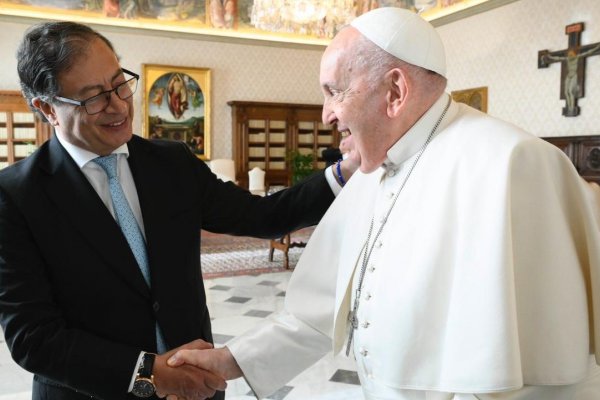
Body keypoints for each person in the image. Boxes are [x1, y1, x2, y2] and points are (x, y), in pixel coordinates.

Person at [168, 7, 600, 400]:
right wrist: (235, 360)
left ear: (395, 90)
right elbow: (319, 311)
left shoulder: (512, 163)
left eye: (334, 91)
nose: (326, 115)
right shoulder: (372, 168)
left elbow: (548, 368)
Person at [0, 22, 358, 400]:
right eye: (93, 98)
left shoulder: (171, 164)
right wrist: (150, 375)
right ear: (46, 108)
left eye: (120, 84)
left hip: (195, 390)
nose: (119, 105)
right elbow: (34, 340)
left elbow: (263, 217)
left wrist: (342, 172)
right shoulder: (17, 196)